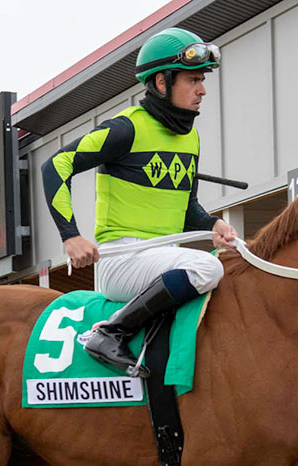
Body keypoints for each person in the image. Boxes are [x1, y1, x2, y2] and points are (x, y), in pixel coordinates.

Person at [40, 27, 238, 377]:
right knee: (209, 268)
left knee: (240, 261)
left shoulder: (190, 138)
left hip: (161, 258)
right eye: (193, 80)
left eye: (202, 80)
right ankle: (110, 332)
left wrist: (213, 225)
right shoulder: (125, 128)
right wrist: (70, 235)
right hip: (123, 261)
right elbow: (56, 164)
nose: (203, 89)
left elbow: (186, 206)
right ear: (162, 83)